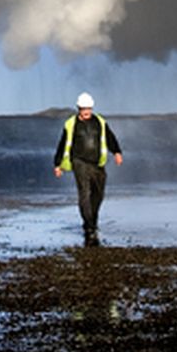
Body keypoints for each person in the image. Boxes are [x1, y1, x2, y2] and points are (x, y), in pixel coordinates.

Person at [53, 91, 123, 246]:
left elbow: (109, 137)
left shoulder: (100, 122)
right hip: (80, 163)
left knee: (98, 195)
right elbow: (63, 143)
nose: (86, 111)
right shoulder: (71, 124)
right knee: (84, 193)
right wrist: (57, 164)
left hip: (98, 164)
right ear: (78, 108)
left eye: (89, 108)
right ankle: (90, 228)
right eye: (84, 108)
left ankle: (91, 221)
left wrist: (117, 152)